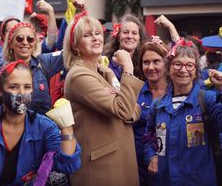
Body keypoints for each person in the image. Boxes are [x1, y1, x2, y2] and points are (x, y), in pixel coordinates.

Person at [0, 60, 81, 185]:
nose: (22, 93)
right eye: (14, 87)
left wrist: (66, 126)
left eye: (27, 87)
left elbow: (68, 165)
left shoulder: (45, 128)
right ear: (0, 90)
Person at [63, 12, 144, 185]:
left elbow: (133, 111)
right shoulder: (79, 75)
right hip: (101, 167)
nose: (95, 38)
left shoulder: (103, 71)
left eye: (97, 33)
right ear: (75, 45)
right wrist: (128, 68)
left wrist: (123, 103)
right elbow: (124, 109)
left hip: (120, 160)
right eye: (87, 35)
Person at [144, 38, 222, 185]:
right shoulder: (158, 106)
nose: (183, 70)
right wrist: (151, 156)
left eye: (190, 65)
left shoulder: (208, 101)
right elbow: (149, 137)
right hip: (165, 180)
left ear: (196, 71)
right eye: (178, 64)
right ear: (168, 69)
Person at [0, 21, 64, 115]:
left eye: (30, 39)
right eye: (19, 38)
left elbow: (70, 52)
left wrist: (75, 19)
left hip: (42, 127)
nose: (25, 42)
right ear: (10, 43)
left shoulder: (44, 62)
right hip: (13, 127)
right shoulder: (0, 73)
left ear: (35, 44)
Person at [134, 36, 169, 185]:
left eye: (156, 61)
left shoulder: (177, 91)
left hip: (171, 164)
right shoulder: (135, 91)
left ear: (166, 63)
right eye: (146, 62)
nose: (150, 67)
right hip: (139, 167)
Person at [104, 14, 146, 80]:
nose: (129, 36)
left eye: (134, 33)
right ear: (118, 36)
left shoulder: (144, 63)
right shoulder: (105, 61)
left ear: (139, 39)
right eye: (126, 32)